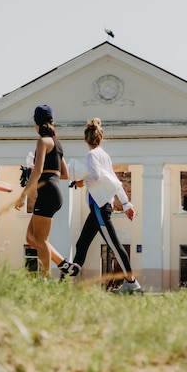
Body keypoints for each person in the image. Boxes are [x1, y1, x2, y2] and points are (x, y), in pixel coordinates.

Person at [70, 118, 142, 294]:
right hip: (101, 206)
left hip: (99, 207)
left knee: (114, 245)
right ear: (100, 139)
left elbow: (94, 177)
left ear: (86, 140)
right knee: (82, 244)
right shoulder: (104, 155)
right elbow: (115, 181)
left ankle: (132, 283)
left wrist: (81, 182)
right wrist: (126, 204)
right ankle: (69, 281)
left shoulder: (92, 155)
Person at [14, 105, 80, 277]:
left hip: (48, 193)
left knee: (41, 240)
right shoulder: (57, 145)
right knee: (31, 238)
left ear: (36, 123)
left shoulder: (42, 142)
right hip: (55, 191)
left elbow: (37, 171)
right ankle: (64, 264)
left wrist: (22, 196)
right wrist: (46, 173)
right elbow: (65, 174)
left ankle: (45, 280)